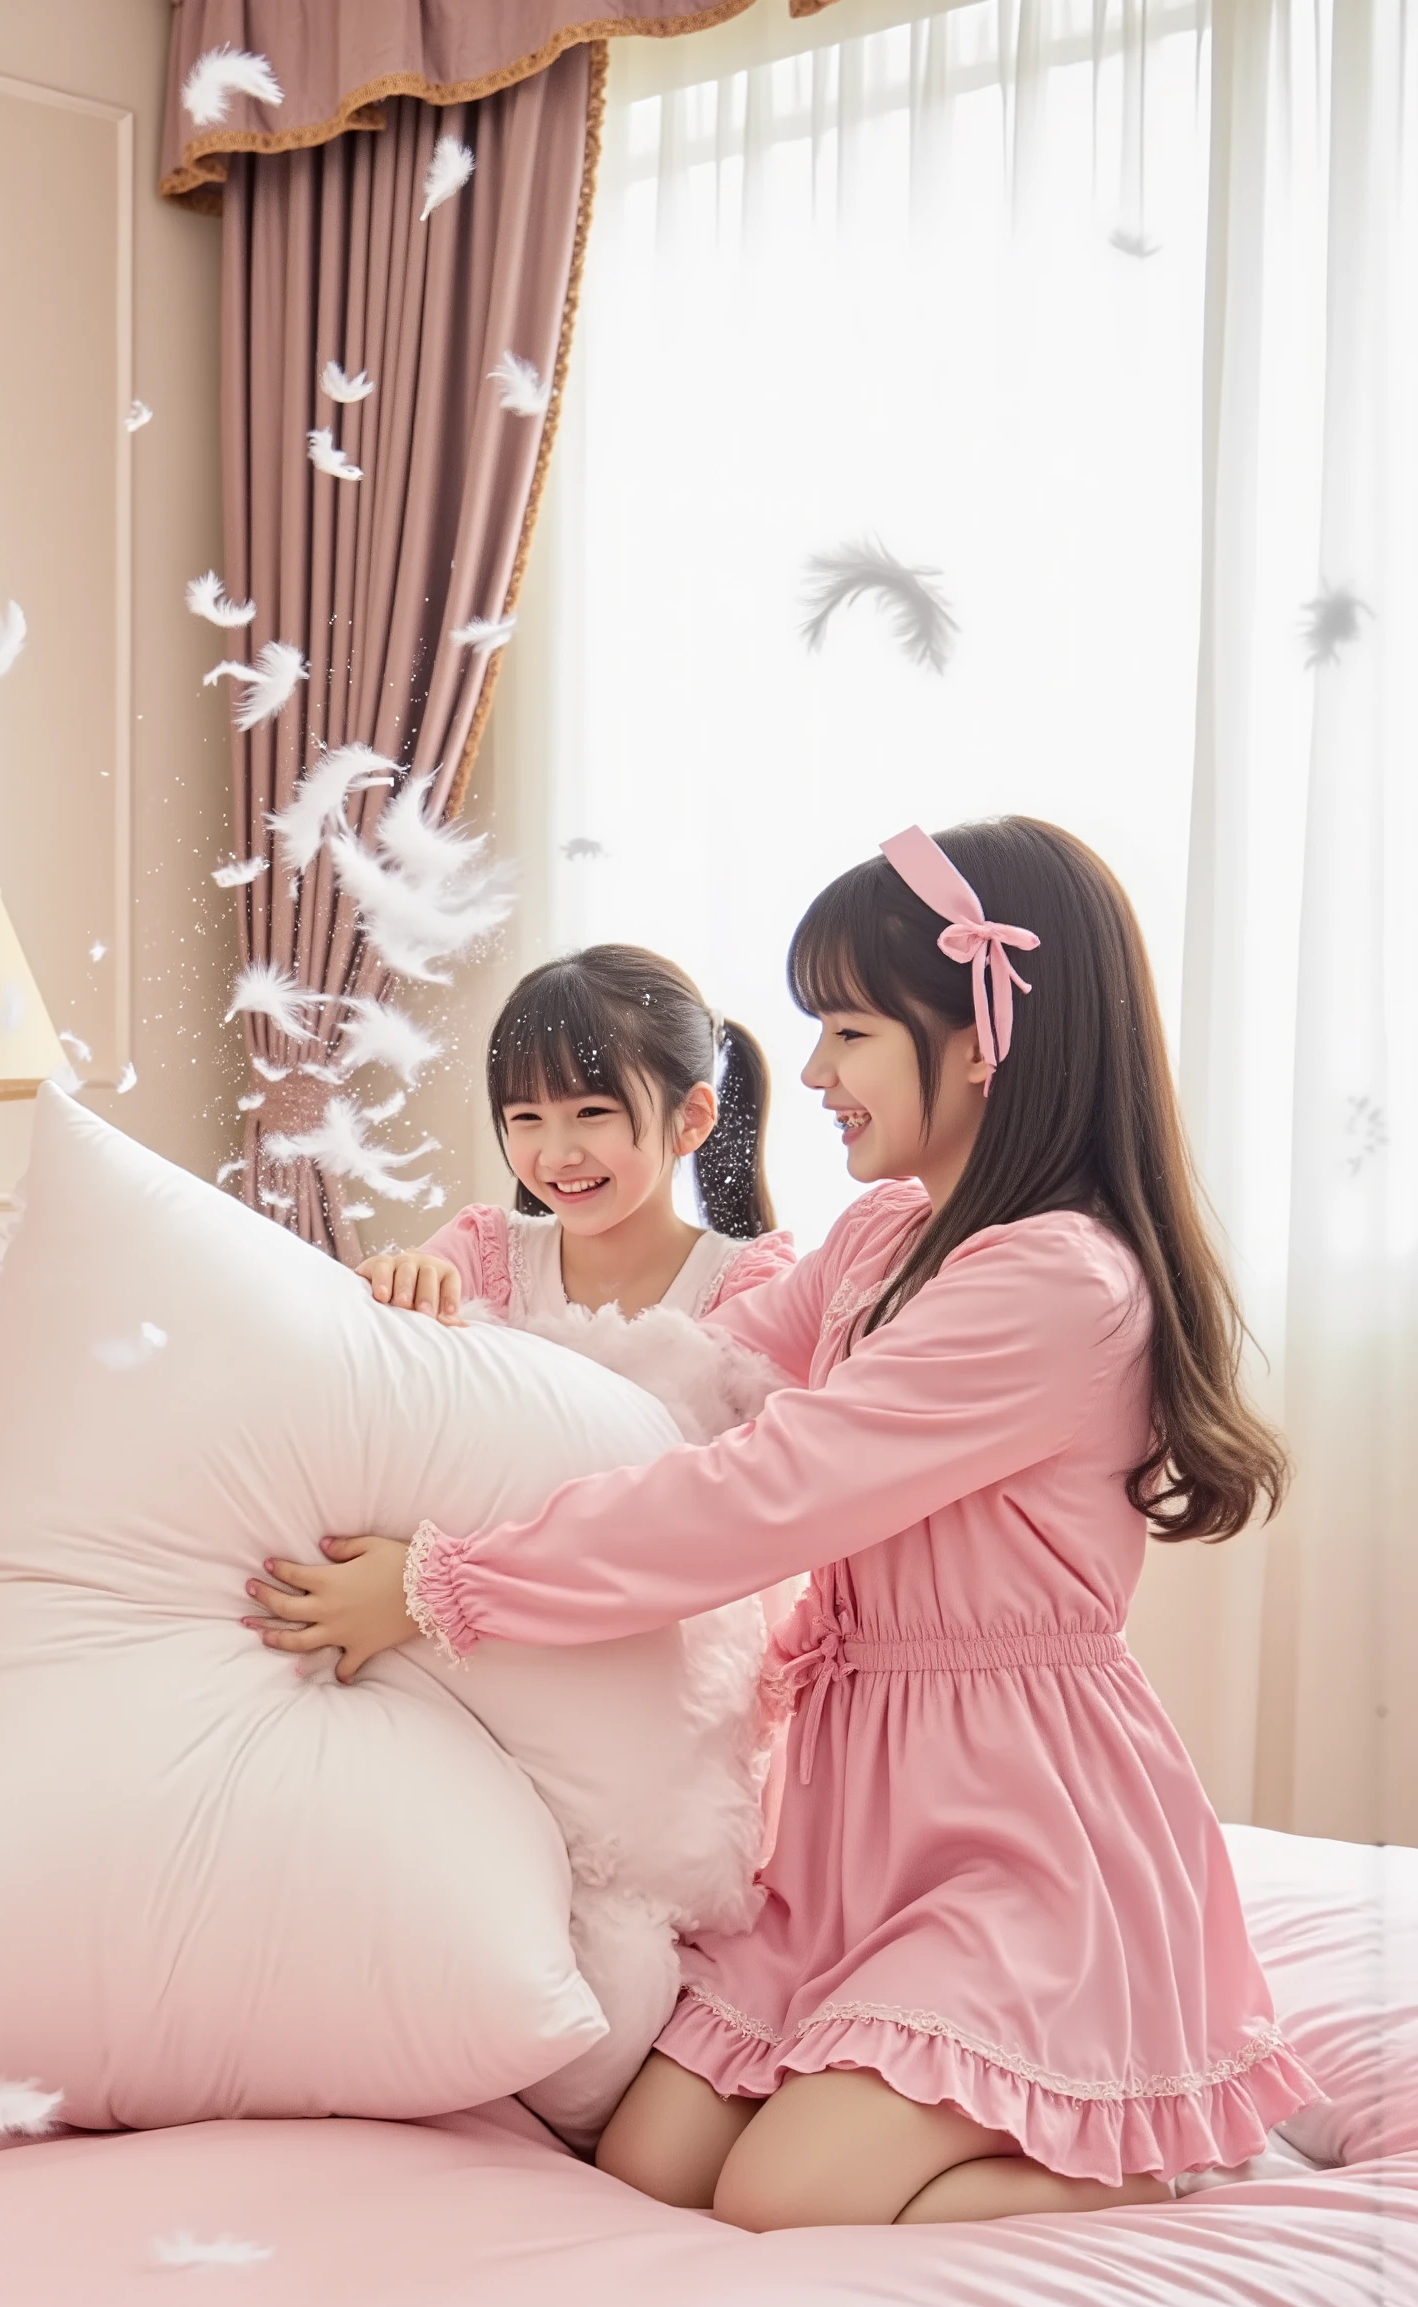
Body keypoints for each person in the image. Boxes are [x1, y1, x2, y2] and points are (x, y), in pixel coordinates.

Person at [251, 817, 1310, 2226]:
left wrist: (448, 1586)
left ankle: (1162, 2167)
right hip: (851, 1826)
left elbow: (760, 1494)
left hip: (1016, 1836)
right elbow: (669, 1379)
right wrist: (447, 1324)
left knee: (782, 2196)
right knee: (650, 2167)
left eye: (851, 1032)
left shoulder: (1057, 1286)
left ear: (988, 1035)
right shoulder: (882, 1240)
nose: (808, 1073)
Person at [361, 945, 793, 1325]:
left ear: (691, 1118)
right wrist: (402, 1279)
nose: (556, 1155)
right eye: (528, 1117)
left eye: (591, 1111)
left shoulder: (751, 1291)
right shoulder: (479, 1258)